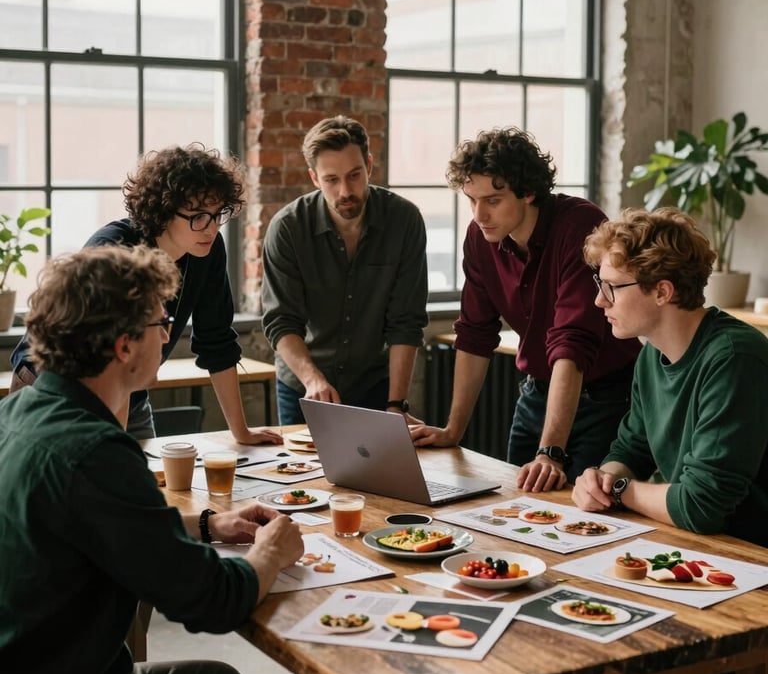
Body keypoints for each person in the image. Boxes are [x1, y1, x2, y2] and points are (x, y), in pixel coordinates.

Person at [0, 244, 306, 674]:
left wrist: (204, 526)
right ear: (124, 345)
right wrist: (271, 551)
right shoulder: (96, 452)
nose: (166, 337)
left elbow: (94, 526)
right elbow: (212, 600)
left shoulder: (14, 411)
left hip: (35, 672)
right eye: (161, 324)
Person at [410, 128, 640, 491]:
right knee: (515, 506)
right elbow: (474, 333)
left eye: (493, 200)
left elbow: (572, 344)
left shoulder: (579, 225)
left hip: (608, 398)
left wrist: (551, 450)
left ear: (529, 191)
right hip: (538, 392)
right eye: (471, 200)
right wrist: (453, 430)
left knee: (588, 519)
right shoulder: (480, 237)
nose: (480, 214)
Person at [10, 144, 282, 446]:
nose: (212, 227)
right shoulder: (117, 249)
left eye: (219, 214)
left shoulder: (207, 249)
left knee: (141, 483)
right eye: (198, 216)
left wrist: (241, 432)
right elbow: (110, 353)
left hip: (129, 391)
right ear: (164, 211)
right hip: (53, 389)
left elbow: (216, 339)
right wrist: (117, 448)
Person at [572, 207, 768, 546]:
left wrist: (620, 491)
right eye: (599, 284)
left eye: (613, 287)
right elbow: (632, 448)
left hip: (747, 555)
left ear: (663, 292)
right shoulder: (651, 353)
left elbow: (702, 504)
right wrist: (603, 480)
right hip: (691, 543)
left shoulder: (735, 357)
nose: (599, 300)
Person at [261, 115, 429, 425]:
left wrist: (396, 403)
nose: (344, 191)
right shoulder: (288, 228)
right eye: (331, 180)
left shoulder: (404, 221)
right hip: (305, 385)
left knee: (378, 474)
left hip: (375, 385)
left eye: (354, 175)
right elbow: (281, 321)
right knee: (307, 474)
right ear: (314, 178)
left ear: (369, 165)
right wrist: (313, 379)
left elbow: (406, 321)